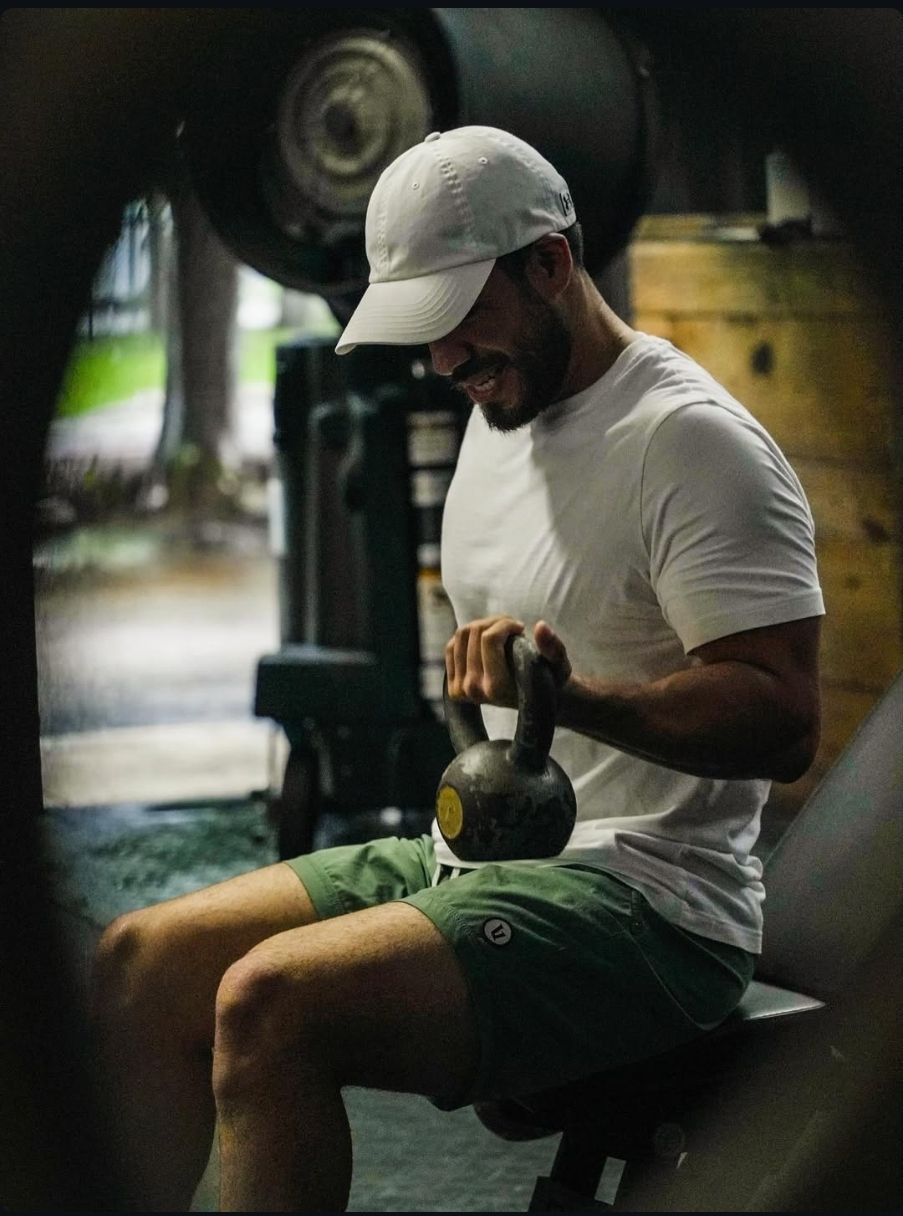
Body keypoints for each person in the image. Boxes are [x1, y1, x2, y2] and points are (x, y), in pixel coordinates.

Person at [90, 125, 823, 1212]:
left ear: (552, 265)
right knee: (143, 958)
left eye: (457, 321)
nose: (440, 362)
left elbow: (782, 716)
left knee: (271, 1004)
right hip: (483, 857)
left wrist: (575, 703)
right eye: (422, 331)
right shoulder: (503, 405)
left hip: (656, 906)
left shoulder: (690, 443)